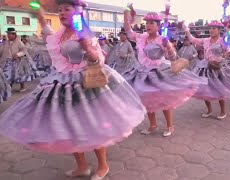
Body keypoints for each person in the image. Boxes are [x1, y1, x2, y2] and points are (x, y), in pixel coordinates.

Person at [0, 1, 146, 180]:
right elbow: (46, 29)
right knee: (70, 127)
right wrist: (38, 11)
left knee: (91, 125)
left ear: (77, 12)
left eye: (66, 10)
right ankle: (82, 166)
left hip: (86, 84)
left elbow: (98, 61)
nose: (61, 13)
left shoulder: (83, 33)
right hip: (63, 83)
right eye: (59, 10)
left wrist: (87, 47)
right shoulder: (59, 35)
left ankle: (103, 166)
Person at [123, 11, 206, 137]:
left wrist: (168, 46)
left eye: (151, 23)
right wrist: (125, 15)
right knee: (146, 100)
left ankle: (169, 125)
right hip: (142, 73)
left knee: (164, 100)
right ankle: (152, 125)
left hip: (158, 73)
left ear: (158, 26)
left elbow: (173, 58)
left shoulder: (161, 39)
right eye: (147, 23)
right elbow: (128, 32)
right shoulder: (142, 37)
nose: (148, 25)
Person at [184, 21, 230, 119]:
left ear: (219, 30)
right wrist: (187, 31)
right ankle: (209, 110)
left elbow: (229, 52)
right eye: (210, 28)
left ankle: (223, 111)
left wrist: (222, 57)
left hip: (218, 68)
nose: (211, 30)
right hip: (205, 67)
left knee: (219, 89)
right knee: (204, 89)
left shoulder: (222, 41)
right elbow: (193, 40)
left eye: (214, 28)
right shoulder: (205, 40)